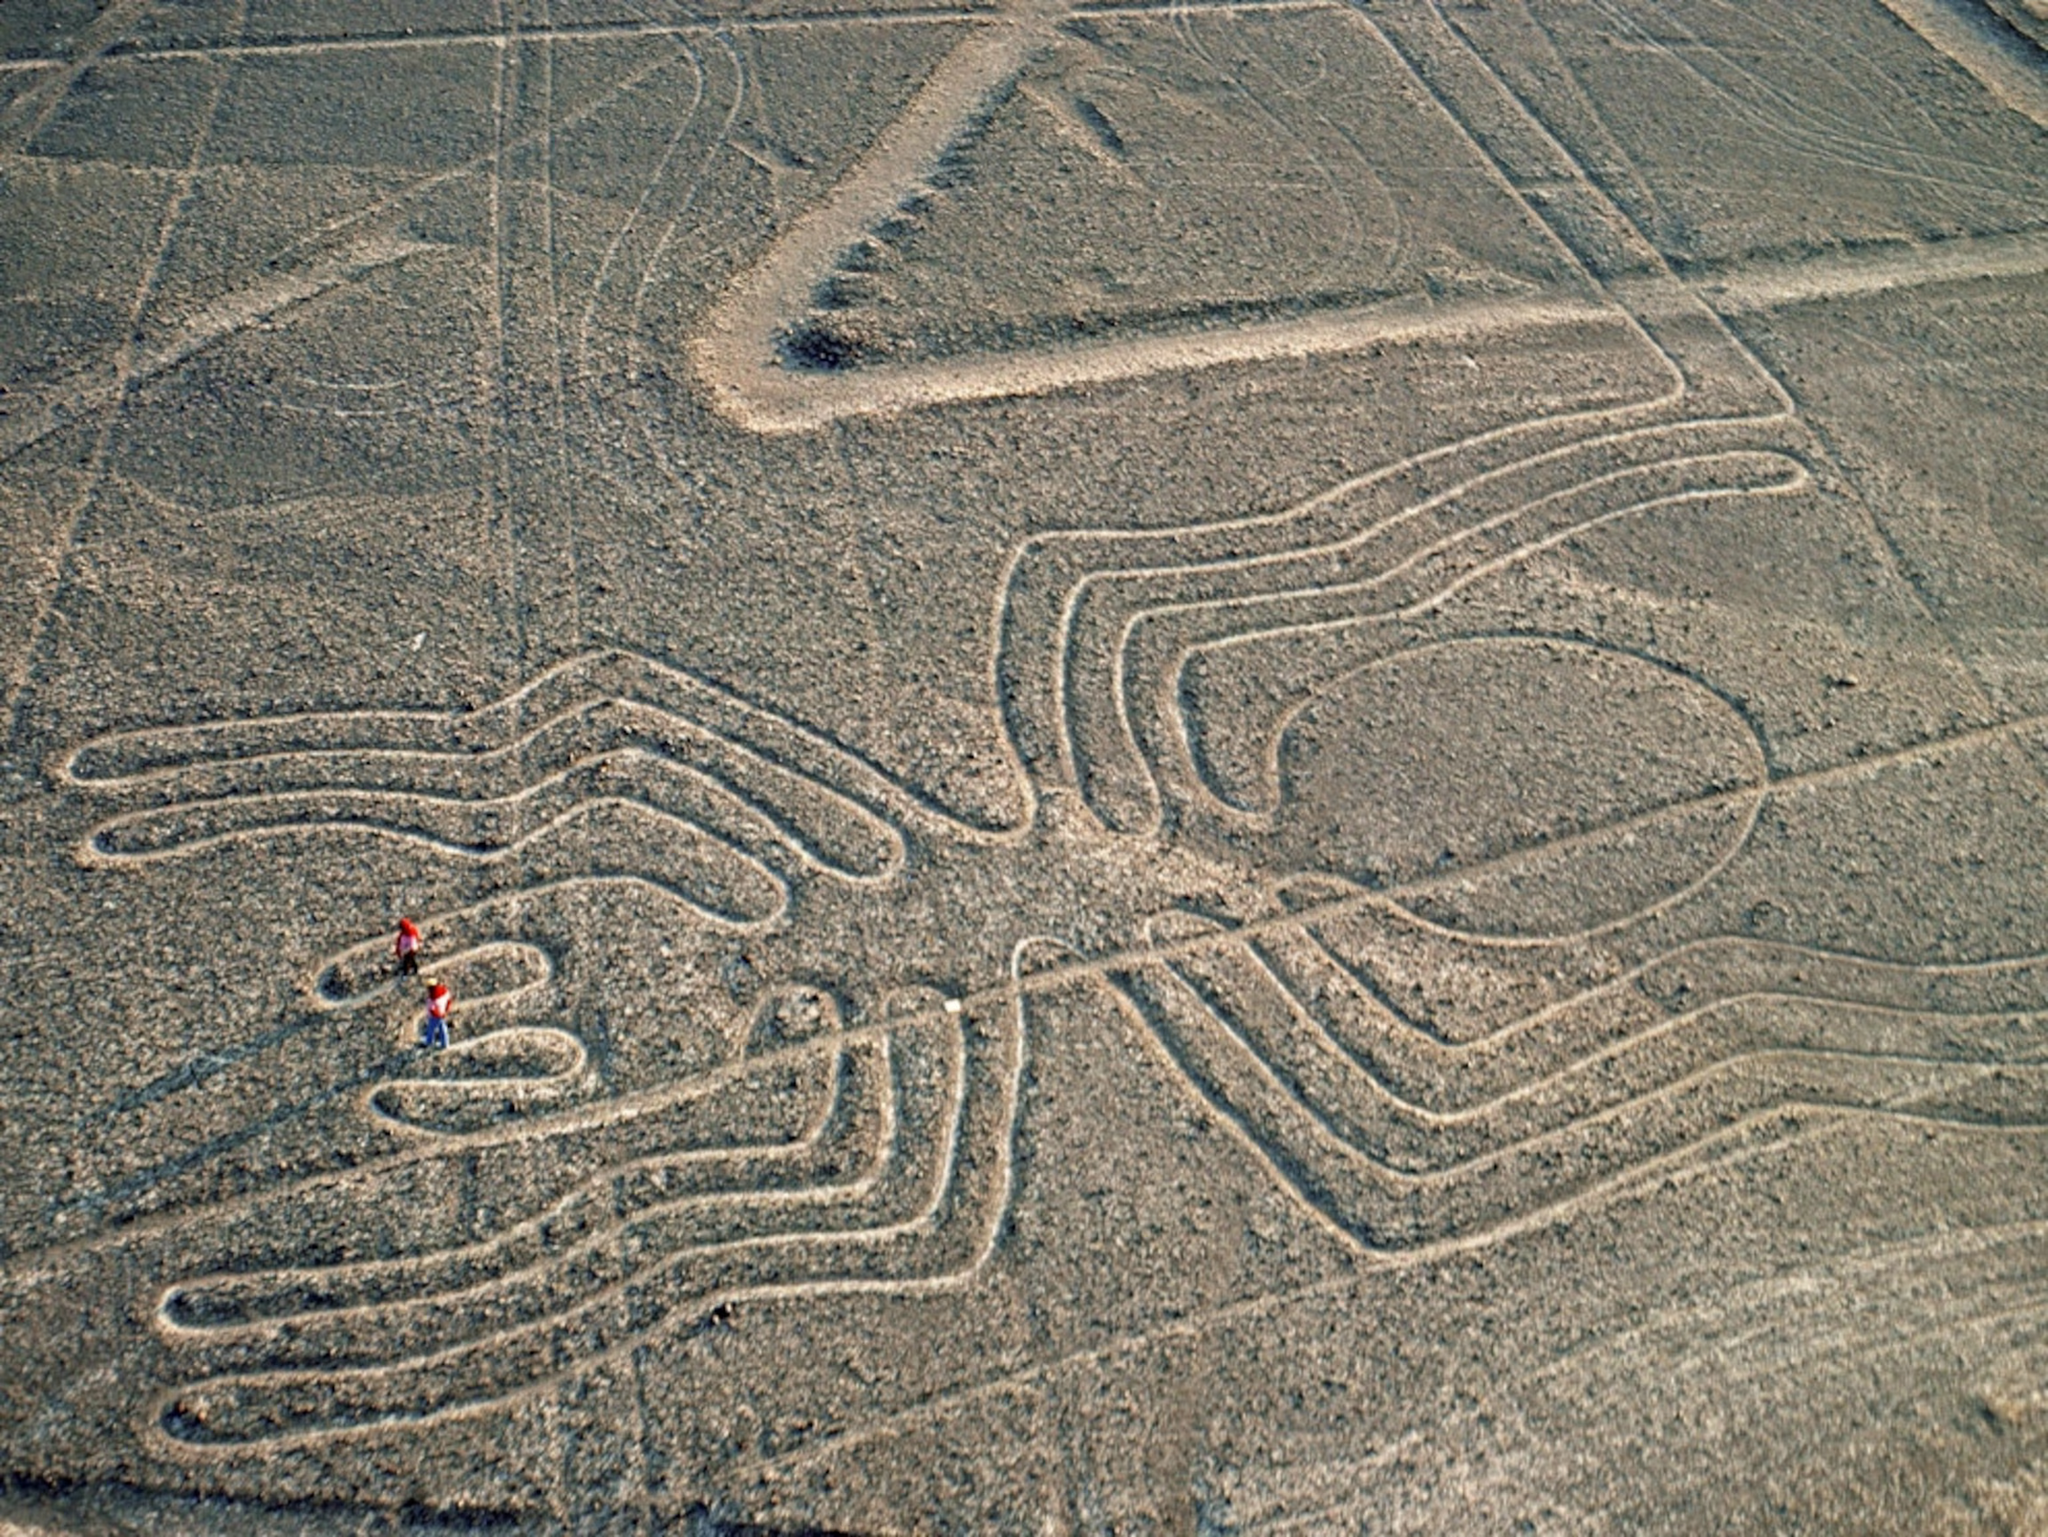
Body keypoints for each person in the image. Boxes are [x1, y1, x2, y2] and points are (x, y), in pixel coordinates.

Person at [422, 980, 452, 1050]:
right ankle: (445, 1043)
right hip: (442, 1013)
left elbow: (432, 1009)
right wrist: (446, 1011)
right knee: (442, 1028)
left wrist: (437, 1015)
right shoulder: (444, 991)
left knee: (431, 1028)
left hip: (435, 1016)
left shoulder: (431, 998)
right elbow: (449, 1000)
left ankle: (429, 1042)